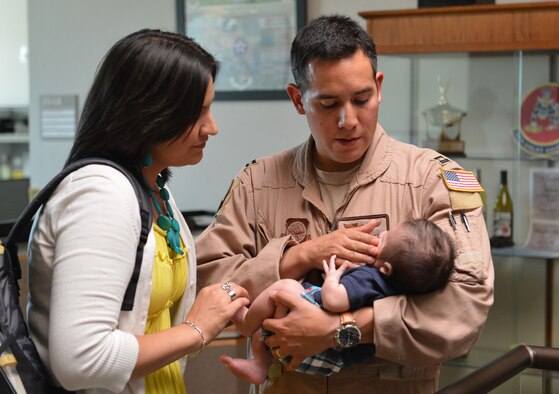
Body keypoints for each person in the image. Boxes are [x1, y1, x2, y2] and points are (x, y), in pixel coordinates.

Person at [196, 14, 494, 393]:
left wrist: (342, 328)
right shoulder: (258, 184)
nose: (348, 120)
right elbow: (205, 288)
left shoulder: (430, 180)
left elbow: (464, 307)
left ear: (379, 87)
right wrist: (297, 257)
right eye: (328, 103)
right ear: (297, 99)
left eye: (361, 99)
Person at [26, 29, 250, 394]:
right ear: (151, 113)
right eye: (198, 112)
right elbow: (81, 361)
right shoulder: (101, 195)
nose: (212, 127)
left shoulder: (152, 189)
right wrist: (195, 330)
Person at [220, 219, 456, 384]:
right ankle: (259, 365)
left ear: (386, 268)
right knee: (279, 308)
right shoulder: (404, 289)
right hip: (336, 357)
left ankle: (245, 324)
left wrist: (332, 277)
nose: (379, 236)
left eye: (383, 240)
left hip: (318, 350)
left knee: (285, 288)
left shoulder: (370, 279)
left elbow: (332, 300)